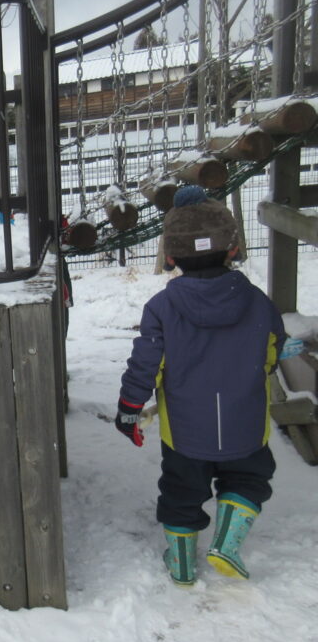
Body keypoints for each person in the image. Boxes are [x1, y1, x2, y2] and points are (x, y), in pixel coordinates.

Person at [114, 199, 285, 586]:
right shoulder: (258, 302)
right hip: (245, 422)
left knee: (181, 489)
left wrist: (129, 408)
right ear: (234, 250)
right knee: (249, 479)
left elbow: (145, 363)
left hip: (185, 431)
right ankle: (225, 545)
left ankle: (182, 564)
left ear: (170, 257)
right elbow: (272, 351)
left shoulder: (161, 308)